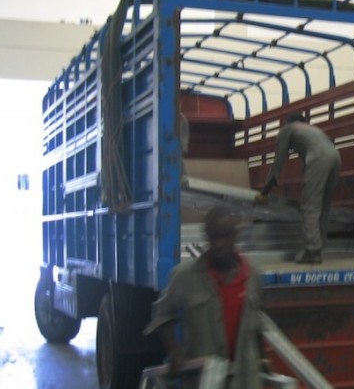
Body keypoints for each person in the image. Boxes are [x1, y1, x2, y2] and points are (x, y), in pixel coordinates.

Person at [144, 205, 264, 389]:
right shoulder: (185, 277)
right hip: (203, 381)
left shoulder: (253, 277)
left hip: (245, 381)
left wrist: (261, 361)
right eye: (213, 237)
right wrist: (174, 351)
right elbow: (161, 314)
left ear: (234, 236)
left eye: (224, 236)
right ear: (206, 237)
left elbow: (257, 328)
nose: (218, 244)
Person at [258, 113, 341, 264]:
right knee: (323, 206)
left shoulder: (287, 129)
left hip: (319, 157)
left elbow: (279, 159)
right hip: (335, 156)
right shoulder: (312, 130)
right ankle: (320, 245)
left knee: (309, 207)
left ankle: (312, 251)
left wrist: (265, 192)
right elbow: (305, 163)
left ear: (287, 122)